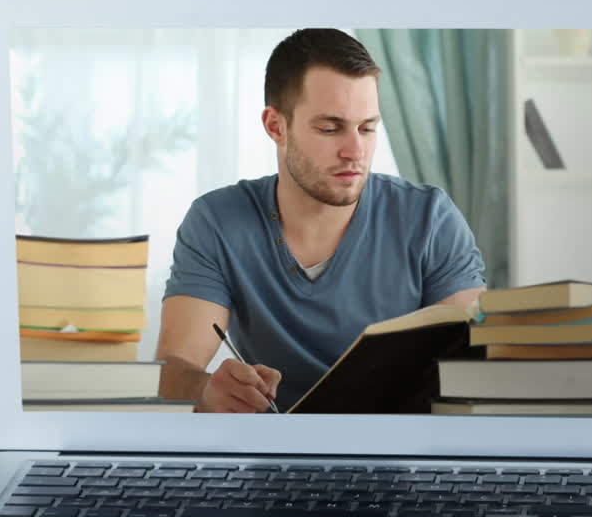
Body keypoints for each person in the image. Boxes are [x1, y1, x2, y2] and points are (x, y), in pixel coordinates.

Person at [156, 29, 486, 413]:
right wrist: (206, 388)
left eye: (366, 128)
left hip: (405, 459)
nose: (355, 151)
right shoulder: (217, 222)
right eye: (330, 129)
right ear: (275, 126)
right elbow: (172, 371)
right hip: (275, 458)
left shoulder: (431, 219)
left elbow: (472, 374)